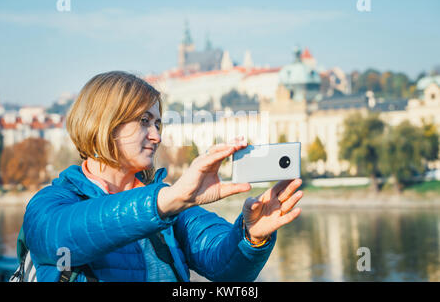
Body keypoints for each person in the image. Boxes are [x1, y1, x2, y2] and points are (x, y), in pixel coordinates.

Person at [23, 71, 304, 282]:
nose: (157, 136)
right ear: (104, 123)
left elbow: (225, 268)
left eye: (158, 123)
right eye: (144, 121)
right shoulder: (50, 204)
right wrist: (167, 200)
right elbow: (64, 235)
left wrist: (250, 236)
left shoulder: (171, 206)